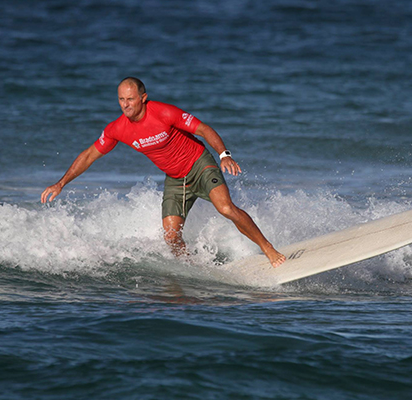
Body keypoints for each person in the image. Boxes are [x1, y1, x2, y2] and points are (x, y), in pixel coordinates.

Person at [41, 77, 286, 268]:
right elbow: (88, 155)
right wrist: (61, 183)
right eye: (121, 99)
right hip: (176, 179)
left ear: (143, 98)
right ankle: (194, 268)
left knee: (225, 208)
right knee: (171, 237)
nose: (125, 105)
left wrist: (224, 154)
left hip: (199, 164)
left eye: (130, 99)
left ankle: (268, 248)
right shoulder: (117, 129)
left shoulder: (164, 112)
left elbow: (203, 129)